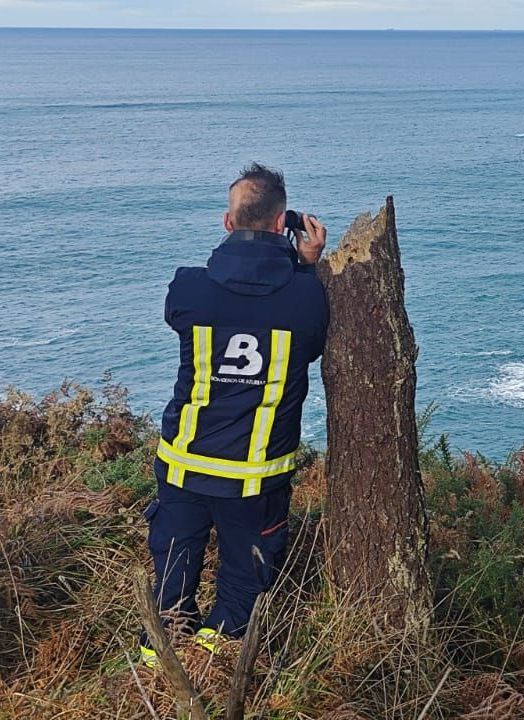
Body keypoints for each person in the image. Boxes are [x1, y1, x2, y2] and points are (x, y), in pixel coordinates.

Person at [141, 163, 329, 665]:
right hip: (254, 477)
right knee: (243, 584)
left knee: (172, 576)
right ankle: (219, 669)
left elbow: (195, 308)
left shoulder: (188, 289)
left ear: (228, 223)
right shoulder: (306, 297)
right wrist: (305, 263)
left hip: (184, 463)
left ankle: (156, 675)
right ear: (281, 222)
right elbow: (308, 341)